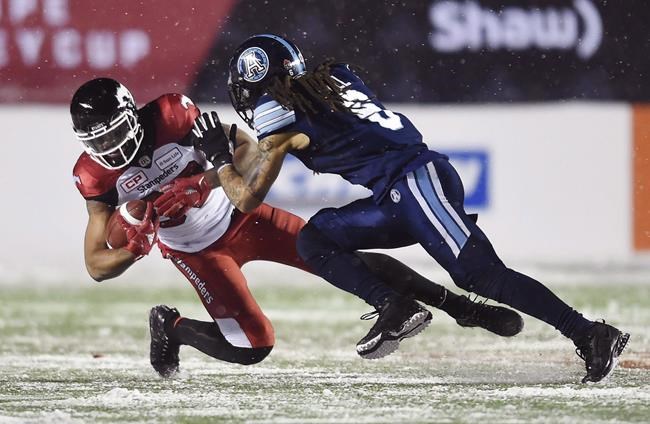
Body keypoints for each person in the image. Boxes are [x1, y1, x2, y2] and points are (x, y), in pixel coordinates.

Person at [198, 33, 629, 382]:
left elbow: (247, 197)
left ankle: (590, 333)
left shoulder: (284, 118)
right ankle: (395, 306)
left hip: (415, 183)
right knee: (316, 239)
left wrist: (220, 158)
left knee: (480, 274)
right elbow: (271, 151)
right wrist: (214, 169)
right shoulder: (332, 80)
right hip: (399, 192)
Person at [70, 78, 523, 377]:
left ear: (132, 115)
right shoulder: (94, 175)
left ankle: (461, 307)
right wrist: (134, 248)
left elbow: (249, 152)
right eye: (98, 140)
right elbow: (95, 265)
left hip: (244, 216)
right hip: (196, 251)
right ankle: (171, 326)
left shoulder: (171, 115)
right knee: (253, 346)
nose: (109, 145)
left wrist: (201, 183)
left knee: (345, 261)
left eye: (113, 131)